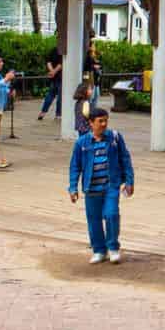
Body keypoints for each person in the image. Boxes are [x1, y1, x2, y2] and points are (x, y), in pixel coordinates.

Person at [67, 106, 135, 264]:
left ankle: (113, 248)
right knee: (94, 220)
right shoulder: (81, 143)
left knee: (111, 214)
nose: (104, 124)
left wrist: (129, 181)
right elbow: (75, 166)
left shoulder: (115, 138)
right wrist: (72, 187)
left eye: (106, 121)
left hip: (111, 185)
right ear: (91, 123)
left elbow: (125, 159)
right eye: (100, 121)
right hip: (91, 188)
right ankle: (99, 250)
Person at [38, 46, 64, 121]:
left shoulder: (53, 49)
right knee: (60, 97)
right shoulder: (63, 50)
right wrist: (54, 72)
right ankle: (58, 115)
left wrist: (52, 71)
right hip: (61, 76)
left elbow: (48, 62)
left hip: (54, 77)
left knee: (50, 95)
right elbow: (61, 64)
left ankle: (42, 113)